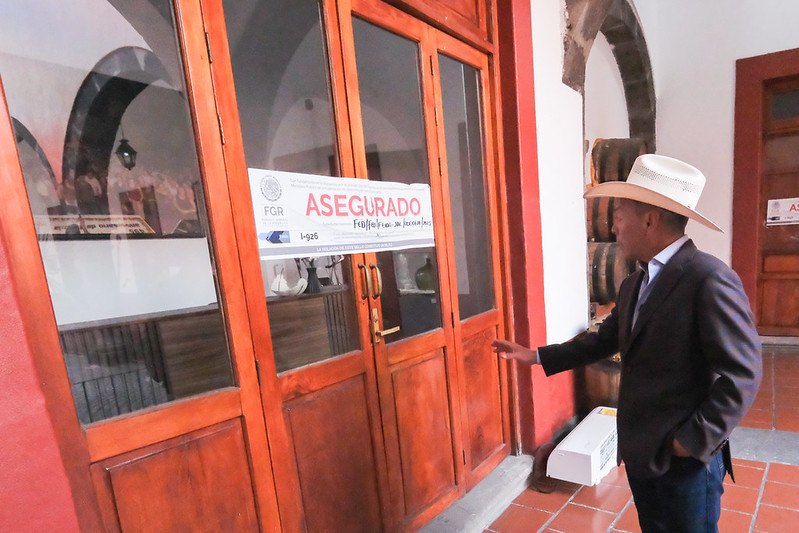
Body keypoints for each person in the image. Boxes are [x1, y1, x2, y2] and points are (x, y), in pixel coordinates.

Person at [492, 154, 762, 532]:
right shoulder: (635, 283)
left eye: (619, 214)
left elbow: (744, 375)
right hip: (641, 450)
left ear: (650, 220)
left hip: (684, 462)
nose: (613, 226)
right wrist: (537, 355)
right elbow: (603, 341)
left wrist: (689, 441)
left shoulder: (708, 278)